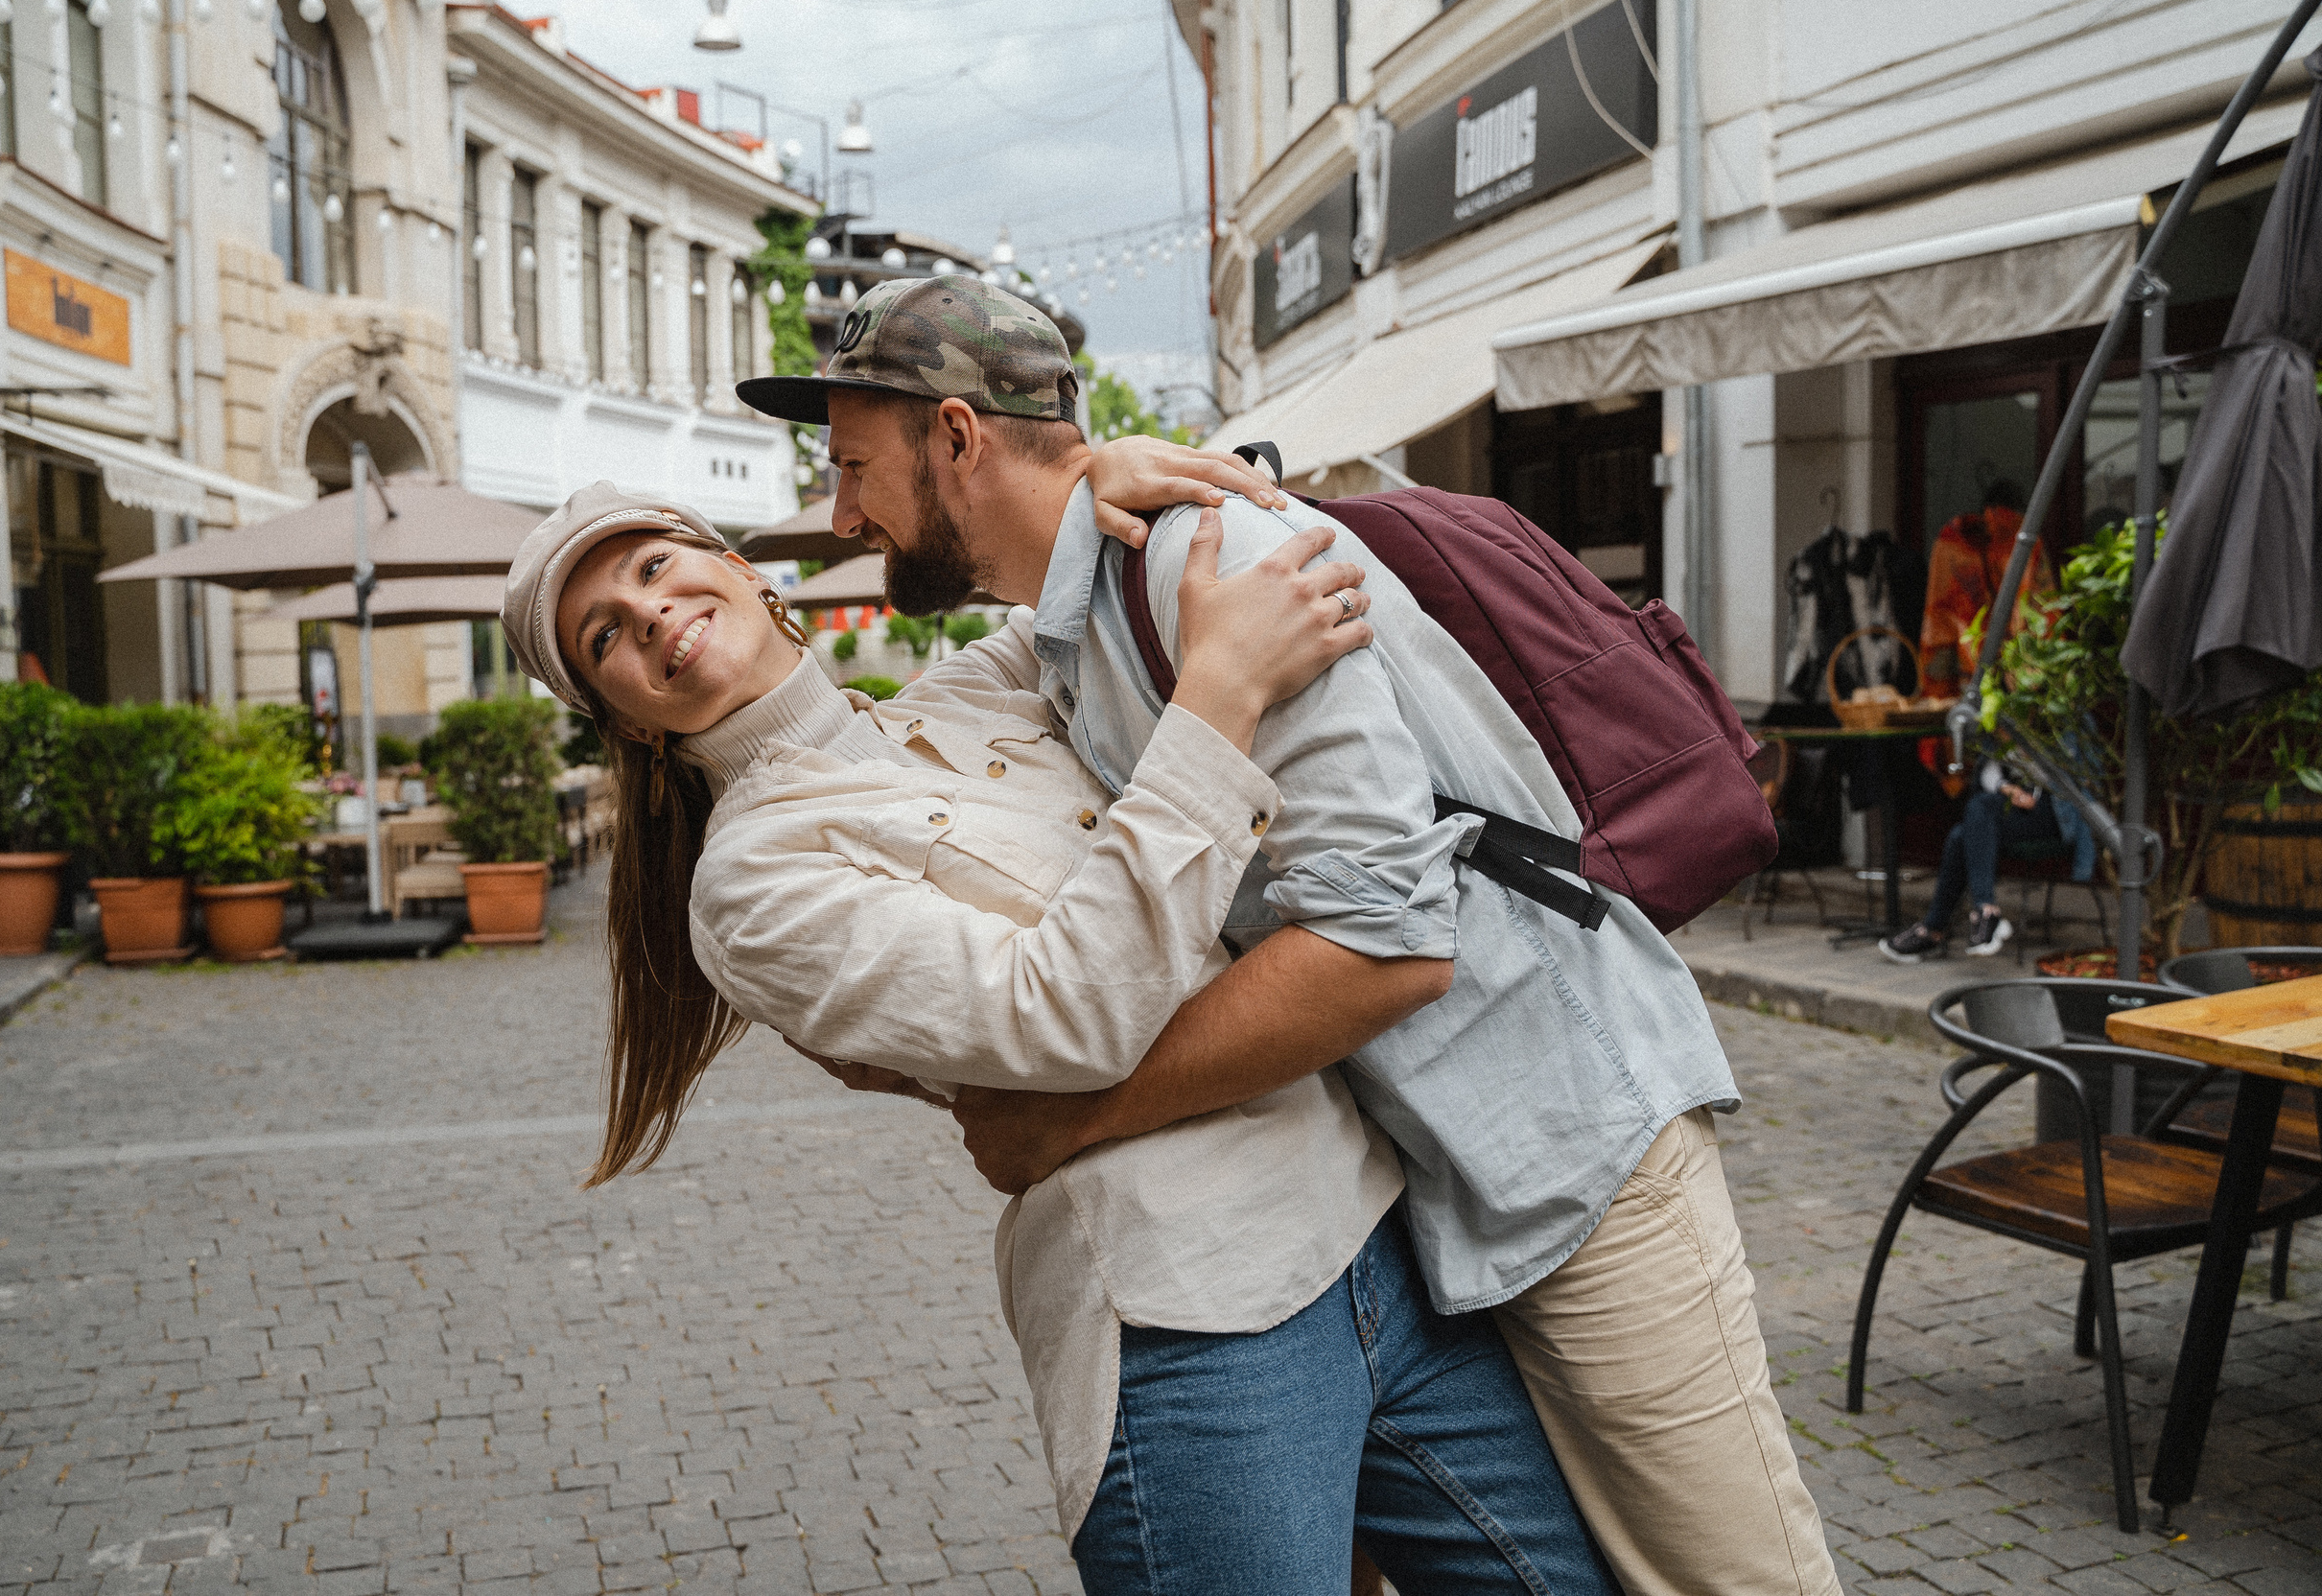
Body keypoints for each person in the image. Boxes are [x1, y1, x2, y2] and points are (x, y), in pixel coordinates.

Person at [738, 271, 1844, 1596]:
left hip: (1579, 1144)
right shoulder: (1085, 623)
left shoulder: (1214, 569)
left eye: (856, 465)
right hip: (1453, 1183)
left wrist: (1074, 1120)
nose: (846, 509)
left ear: (960, 437)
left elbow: (1390, 943)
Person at [500, 476, 1616, 1594]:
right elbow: (1065, 1013)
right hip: (1186, 1312)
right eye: (605, 635)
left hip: (1381, 1233)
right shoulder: (749, 887)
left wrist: (1099, 466)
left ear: (739, 569)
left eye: (653, 568)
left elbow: (1075, 561)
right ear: (625, 719)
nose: (649, 612)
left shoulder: (977, 685)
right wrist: (1219, 697)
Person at [1880, 760, 2095, 962]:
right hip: (2011, 807)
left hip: (2056, 815)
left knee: (1973, 817)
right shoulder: (1995, 728)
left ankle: (1936, 928)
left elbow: (2081, 778)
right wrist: (2007, 788)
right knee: (1962, 833)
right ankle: (1981, 912)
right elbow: (1987, 773)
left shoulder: (2058, 729)